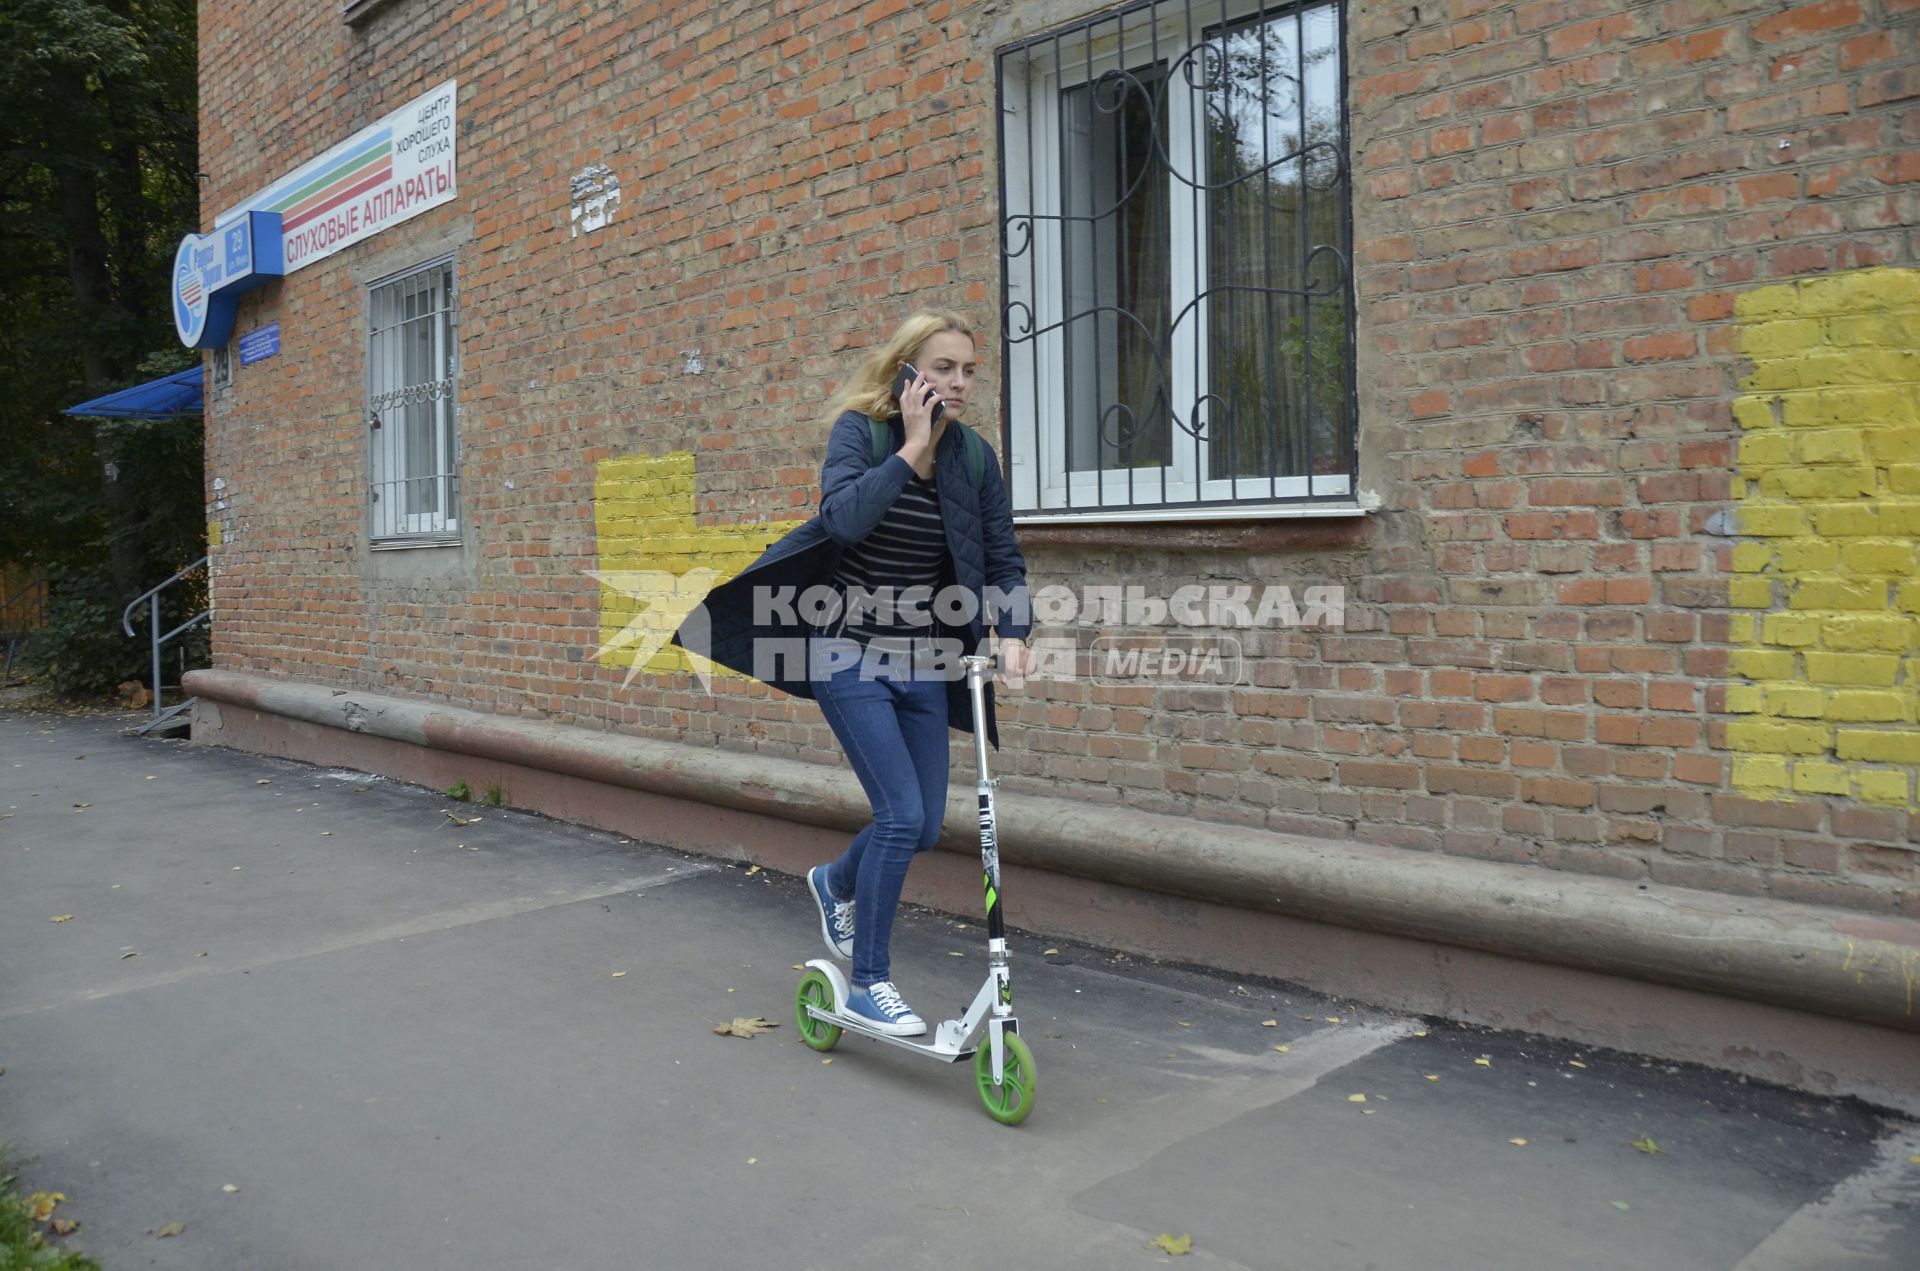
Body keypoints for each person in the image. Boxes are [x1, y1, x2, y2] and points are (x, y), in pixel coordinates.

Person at [672, 310, 1031, 1037]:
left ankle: (833, 880)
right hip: (845, 649)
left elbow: (1001, 555)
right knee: (898, 814)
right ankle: (869, 982)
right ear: (907, 369)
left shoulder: (977, 459)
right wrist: (910, 448)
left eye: (968, 370)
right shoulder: (859, 435)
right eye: (943, 367)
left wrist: (1015, 630)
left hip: (927, 658)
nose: (958, 382)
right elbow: (841, 520)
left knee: (924, 824)